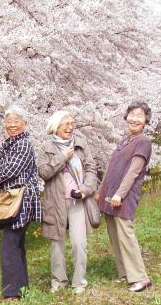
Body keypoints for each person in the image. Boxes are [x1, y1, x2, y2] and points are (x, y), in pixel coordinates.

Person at [0, 106, 41, 302]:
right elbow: (4, 169)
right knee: (16, 245)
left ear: (25, 123)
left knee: (9, 246)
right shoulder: (10, 144)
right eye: (9, 121)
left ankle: (12, 293)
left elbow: (11, 170)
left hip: (21, 201)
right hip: (14, 200)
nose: (12, 124)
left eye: (16, 121)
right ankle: (20, 289)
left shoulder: (23, 145)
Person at [37, 111, 98, 294]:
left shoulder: (81, 144)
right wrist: (62, 157)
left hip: (77, 200)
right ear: (56, 126)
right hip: (55, 202)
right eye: (66, 124)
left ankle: (79, 281)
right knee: (57, 244)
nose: (70, 127)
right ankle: (59, 281)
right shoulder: (45, 147)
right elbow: (44, 173)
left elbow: (91, 169)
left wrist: (86, 190)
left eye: (72, 123)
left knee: (79, 243)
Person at [95, 101, 153, 292]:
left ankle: (140, 277)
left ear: (145, 121)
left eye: (140, 116)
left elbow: (133, 172)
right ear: (126, 117)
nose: (135, 119)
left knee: (125, 235)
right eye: (132, 115)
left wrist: (119, 194)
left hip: (124, 196)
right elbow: (112, 168)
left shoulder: (143, 142)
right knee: (114, 235)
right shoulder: (125, 140)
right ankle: (125, 272)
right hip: (109, 195)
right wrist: (101, 190)